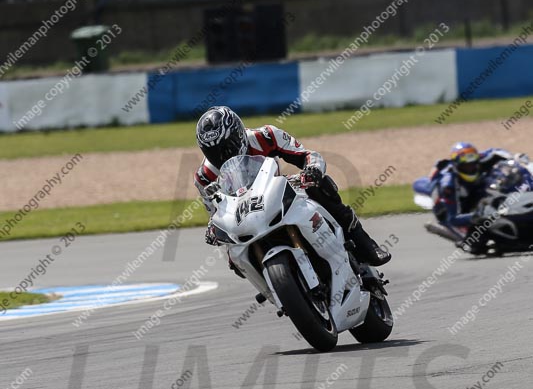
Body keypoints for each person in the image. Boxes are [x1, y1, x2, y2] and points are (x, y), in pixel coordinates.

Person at [193, 106, 391, 266]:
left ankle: (363, 242)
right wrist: (213, 227)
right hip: (244, 213)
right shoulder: (204, 176)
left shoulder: (267, 136)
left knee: (321, 186)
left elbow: (307, 156)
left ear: (238, 134)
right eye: (213, 153)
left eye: (226, 148)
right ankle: (273, 288)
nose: (222, 156)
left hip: (276, 193)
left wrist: (312, 170)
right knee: (231, 255)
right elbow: (216, 213)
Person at [430, 142, 513, 229]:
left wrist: (513, 158)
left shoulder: (480, 158)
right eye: (466, 166)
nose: (471, 168)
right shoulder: (449, 184)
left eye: (473, 164)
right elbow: (453, 219)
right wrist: (481, 215)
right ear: (457, 165)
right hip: (459, 201)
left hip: (474, 188)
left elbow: (497, 152)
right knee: (445, 216)